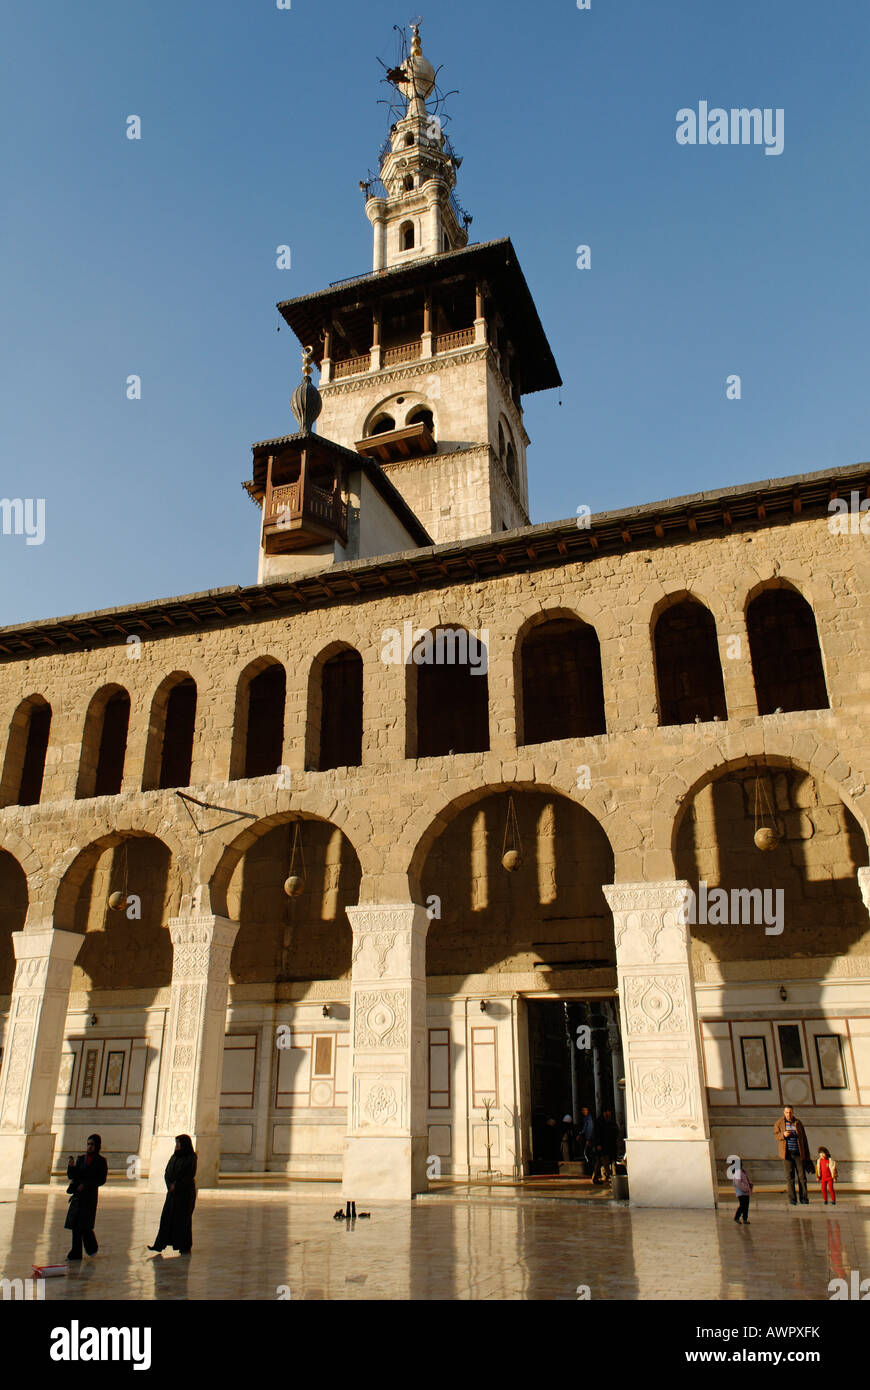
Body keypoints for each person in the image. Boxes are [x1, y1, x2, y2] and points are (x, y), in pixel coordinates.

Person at [148, 1135, 197, 1254]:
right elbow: (167, 1172)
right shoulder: (174, 1157)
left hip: (185, 1194)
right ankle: (159, 1244)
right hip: (172, 1193)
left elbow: (189, 1175)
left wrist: (177, 1185)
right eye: (176, 1143)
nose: (177, 1146)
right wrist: (169, 1185)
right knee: (166, 1218)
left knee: (182, 1220)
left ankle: (184, 1246)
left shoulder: (191, 1157)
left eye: (179, 1143)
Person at [65, 1133, 108, 1260]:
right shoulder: (81, 1159)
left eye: (92, 1144)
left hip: (89, 1198)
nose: (89, 1147)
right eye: (88, 1144)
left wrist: (87, 1185)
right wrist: (71, 1167)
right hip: (78, 1197)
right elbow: (73, 1176)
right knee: (76, 1226)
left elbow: (101, 1179)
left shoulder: (101, 1161)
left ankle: (91, 1248)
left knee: (85, 1226)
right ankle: (75, 1253)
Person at [773, 1105, 810, 1206]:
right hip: (787, 1154)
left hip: (798, 1153)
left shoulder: (798, 1123)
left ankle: (804, 1198)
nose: (788, 1114)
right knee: (790, 1177)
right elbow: (775, 1134)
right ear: (784, 1113)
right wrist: (783, 1135)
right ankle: (792, 1199)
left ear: (793, 1113)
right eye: (787, 1112)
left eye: (790, 1112)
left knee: (802, 1177)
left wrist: (807, 1155)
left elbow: (804, 1139)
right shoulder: (780, 1123)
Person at [593, 1108, 621, 1183]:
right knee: (604, 1160)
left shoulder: (607, 1121)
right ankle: (609, 1177)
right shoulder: (600, 1121)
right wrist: (598, 1144)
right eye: (609, 1111)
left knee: (600, 1161)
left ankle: (596, 1177)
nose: (610, 1113)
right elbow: (597, 1133)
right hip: (602, 1144)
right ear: (605, 1112)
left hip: (606, 1144)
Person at [732, 1159, 753, 1224]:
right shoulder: (738, 1172)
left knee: (746, 1206)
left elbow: (746, 1180)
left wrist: (750, 1185)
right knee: (743, 1205)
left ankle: (745, 1219)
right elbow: (738, 1183)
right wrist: (745, 1189)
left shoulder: (742, 1171)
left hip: (745, 1192)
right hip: (742, 1192)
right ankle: (736, 1217)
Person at [578, 1106, 597, 1171]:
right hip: (588, 1138)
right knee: (588, 1152)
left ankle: (591, 1166)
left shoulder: (589, 1118)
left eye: (585, 1110)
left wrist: (588, 1139)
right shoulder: (585, 1118)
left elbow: (589, 1128)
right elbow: (585, 1128)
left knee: (587, 1152)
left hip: (590, 1138)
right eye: (582, 1110)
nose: (583, 1111)